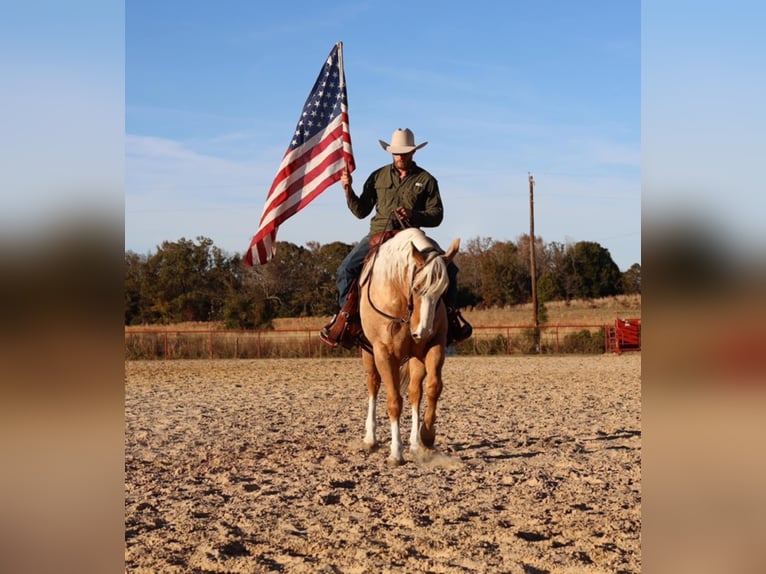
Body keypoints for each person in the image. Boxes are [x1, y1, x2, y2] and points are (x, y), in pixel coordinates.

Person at [319, 128, 472, 349]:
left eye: (405, 153)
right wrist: (348, 190)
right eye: (397, 153)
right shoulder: (377, 176)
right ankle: (345, 320)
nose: (401, 157)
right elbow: (361, 210)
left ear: (413, 152)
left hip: (411, 236)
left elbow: (437, 215)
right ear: (391, 153)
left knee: (450, 269)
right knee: (345, 269)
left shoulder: (426, 180)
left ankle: (450, 317)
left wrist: (413, 215)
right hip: (379, 234)